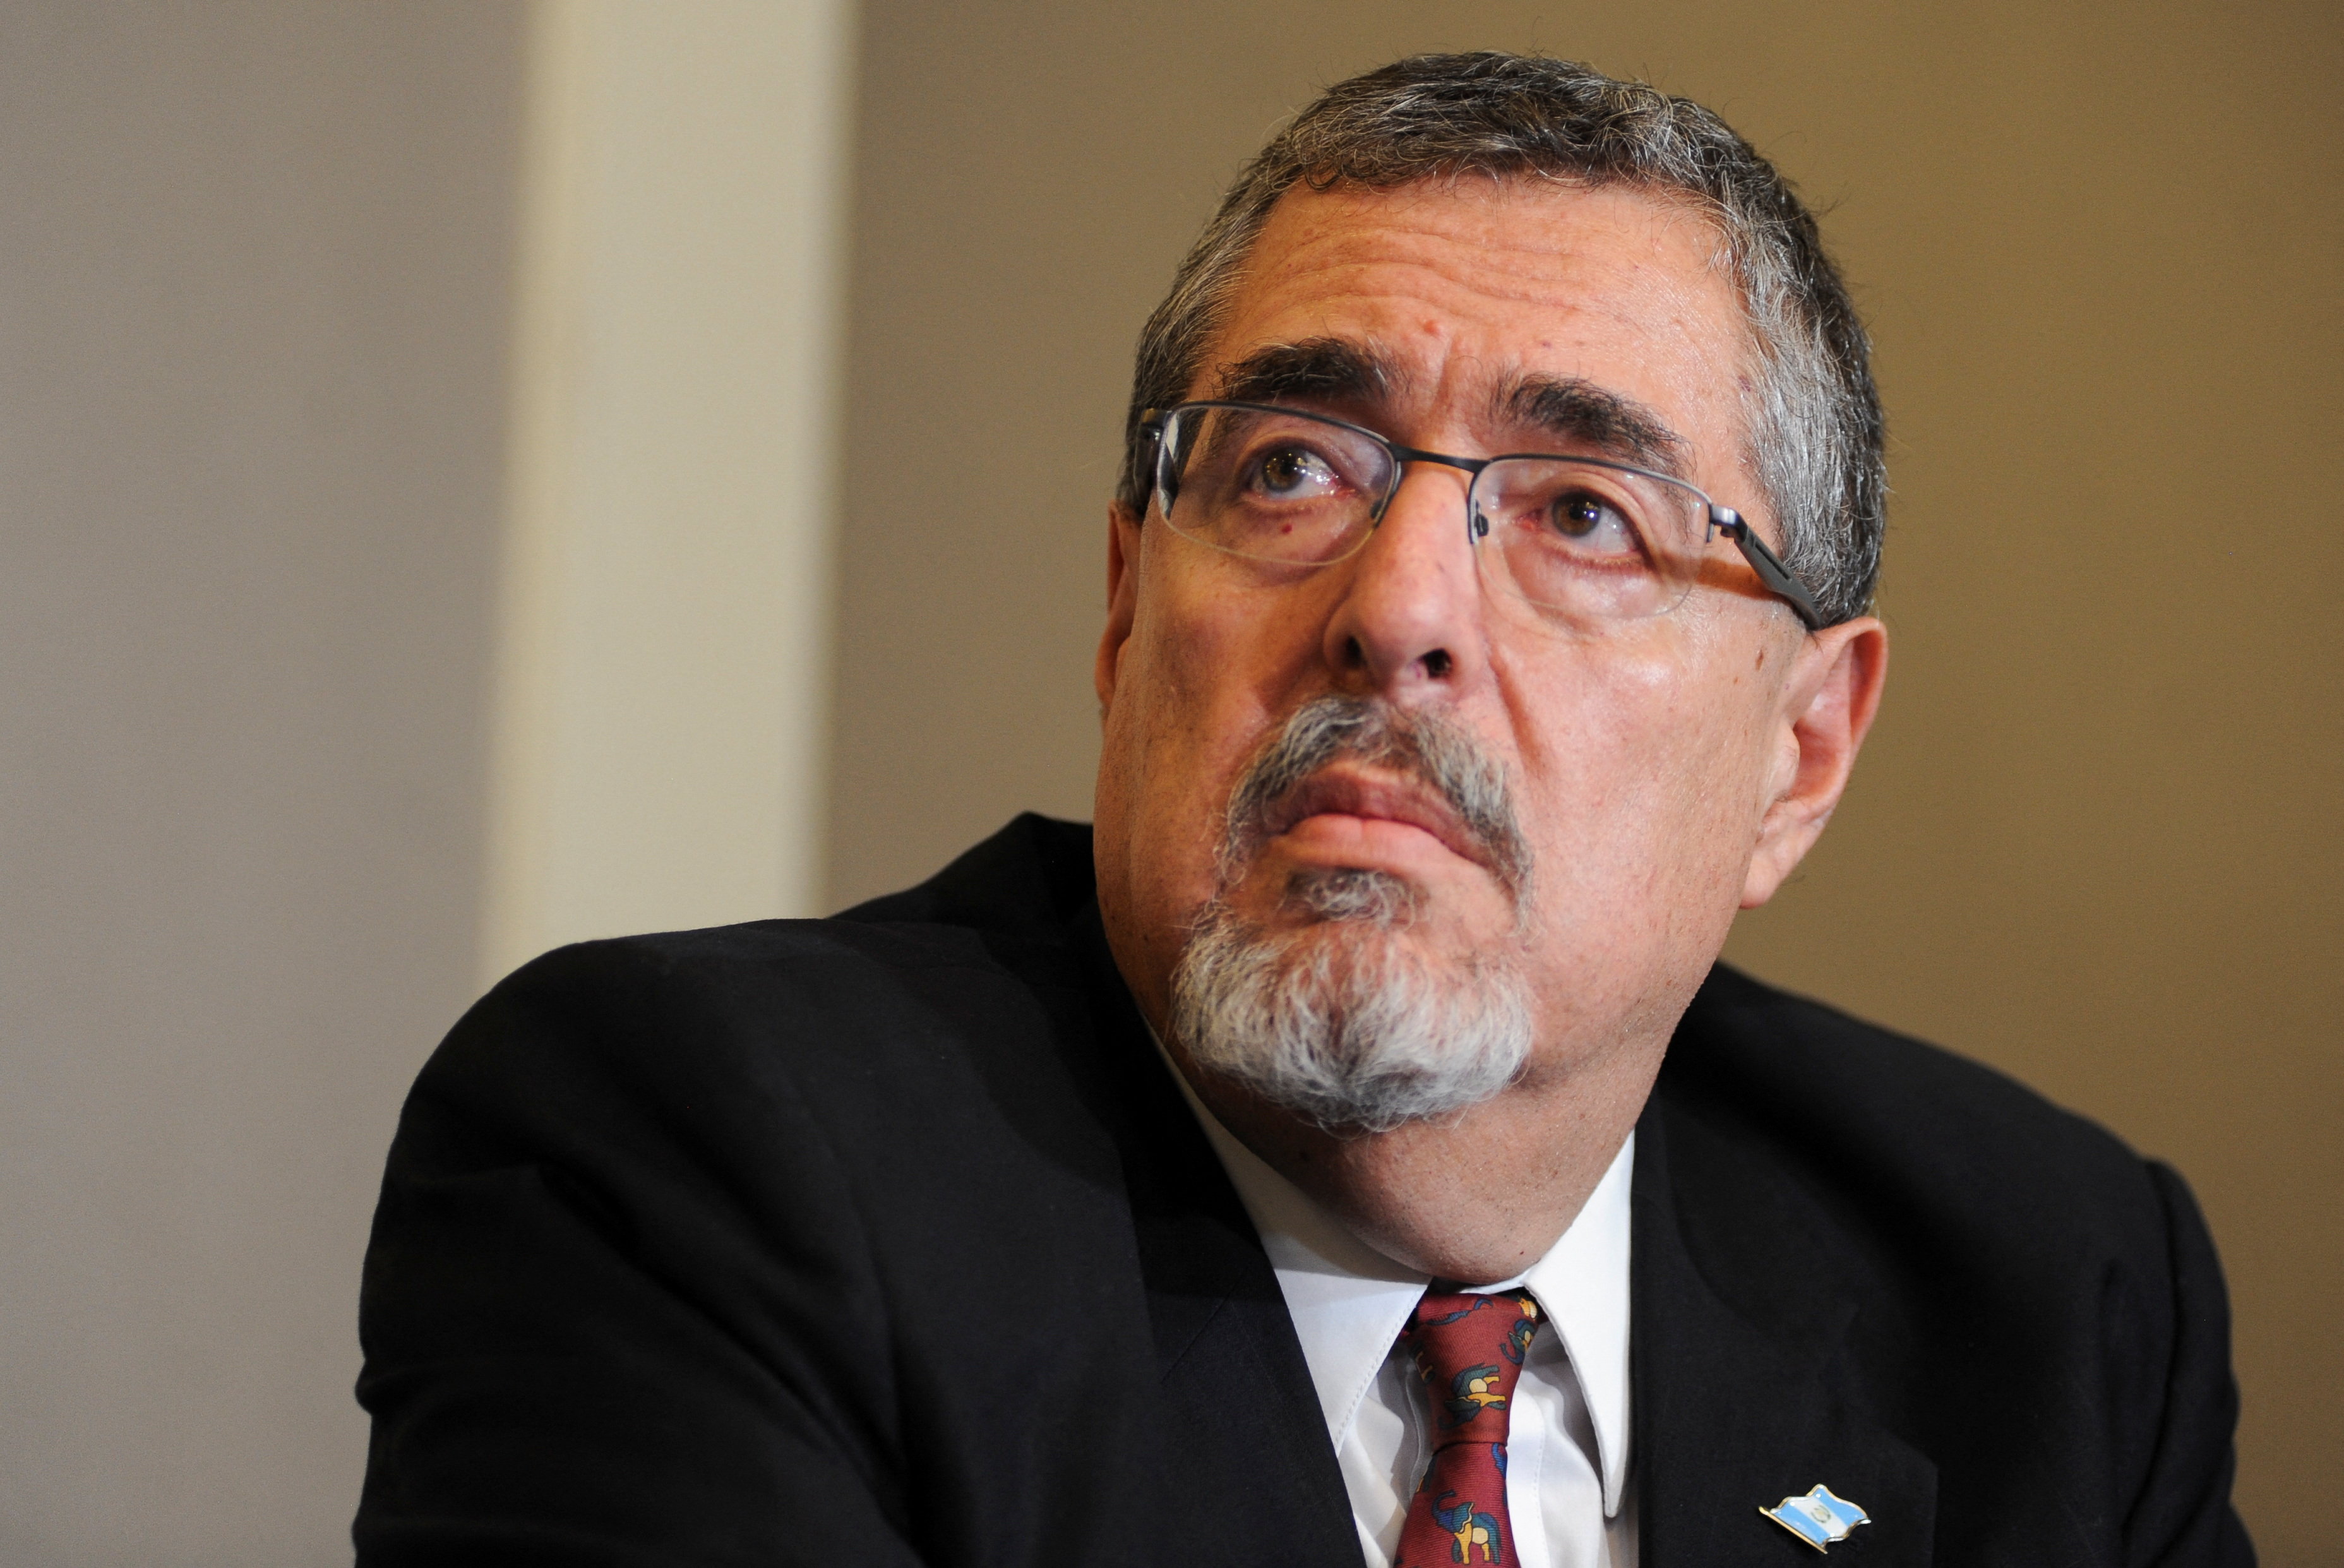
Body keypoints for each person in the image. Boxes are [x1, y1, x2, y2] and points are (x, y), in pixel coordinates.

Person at [352, 52, 2252, 1567]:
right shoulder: (687, 1165)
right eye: (1288, 471)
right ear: (1122, 610)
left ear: (1801, 757)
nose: (1398, 605)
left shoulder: (2048, 1296)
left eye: (1584, 509)